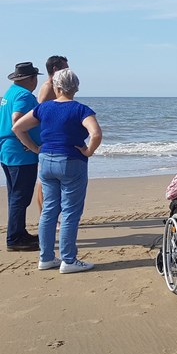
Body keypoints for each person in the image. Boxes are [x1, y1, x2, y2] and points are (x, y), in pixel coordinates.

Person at [12, 69, 102, 273]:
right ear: (75, 88)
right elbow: (95, 133)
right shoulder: (81, 109)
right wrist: (88, 151)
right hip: (71, 162)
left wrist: (35, 148)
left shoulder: (44, 108)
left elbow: (18, 127)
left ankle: (46, 257)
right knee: (70, 211)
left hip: (46, 161)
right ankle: (68, 260)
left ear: (57, 87)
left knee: (50, 210)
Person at [1, 62, 43, 251]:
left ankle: (18, 232)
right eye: (35, 78)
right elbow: (16, 120)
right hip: (20, 153)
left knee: (15, 194)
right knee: (20, 196)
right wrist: (32, 146)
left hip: (8, 150)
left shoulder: (9, 93)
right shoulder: (24, 95)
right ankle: (15, 238)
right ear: (31, 79)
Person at [35, 55, 69, 212]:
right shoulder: (49, 87)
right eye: (65, 68)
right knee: (44, 180)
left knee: (49, 180)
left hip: (54, 140)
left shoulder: (56, 87)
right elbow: (39, 114)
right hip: (47, 140)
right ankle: (46, 214)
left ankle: (51, 214)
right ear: (55, 69)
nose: (68, 71)